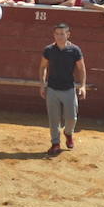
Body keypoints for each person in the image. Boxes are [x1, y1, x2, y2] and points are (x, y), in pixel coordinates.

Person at [39, 22, 86, 155]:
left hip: (68, 89)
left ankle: (68, 133)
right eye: (57, 34)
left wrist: (82, 85)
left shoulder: (74, 50)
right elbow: (43, 67)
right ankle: (55, 143)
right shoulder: (48, 50)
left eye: (62, 34)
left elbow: (81, 69)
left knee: (72, 118)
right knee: (53, 119)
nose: (60, 36)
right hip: (52, 88)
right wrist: (42, 84)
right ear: (54, 35)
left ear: (68, 35)